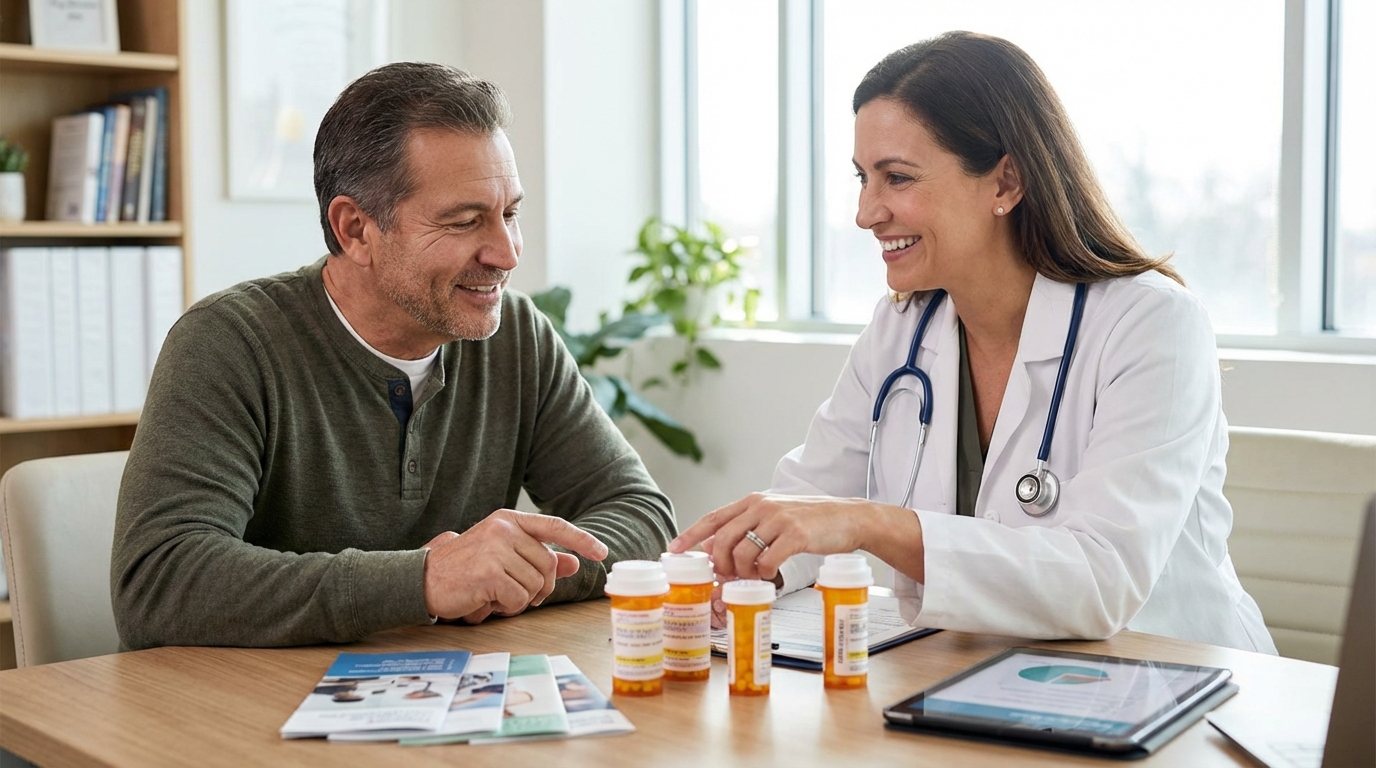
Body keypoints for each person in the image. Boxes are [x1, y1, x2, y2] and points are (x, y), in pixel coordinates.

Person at [671, 32, 1275, 653]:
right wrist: (745, 569)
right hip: (988, 676)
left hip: (1174, 685)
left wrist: (866, 523)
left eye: (897, 178)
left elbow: (1101, 580)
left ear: (1006, 182)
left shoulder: (1151, 325)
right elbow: (812, 503)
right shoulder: (902, 330)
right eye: (862, 178)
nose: (865, 212)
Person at [111, 62, 676, 650]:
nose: (506, 254)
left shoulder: (518, 338)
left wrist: (511, 573)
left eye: (510, 214)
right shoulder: (229, 344)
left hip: (444, 703)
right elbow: (158, 582)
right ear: (355, 228)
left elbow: (642, 517)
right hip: (242, 716)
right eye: (464, 221)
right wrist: (425, 581)